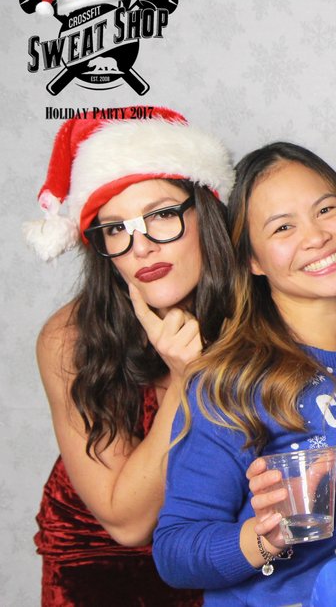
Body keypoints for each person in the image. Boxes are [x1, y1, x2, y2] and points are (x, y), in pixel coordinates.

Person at [152, 142, 336, 606]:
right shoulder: (232, 384)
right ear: (253, 260)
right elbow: (173, 551)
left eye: (326, 210)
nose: (317, 236)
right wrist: (262, 537)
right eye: (283, 227)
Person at [24, 107, 233, 606]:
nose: (141, 247)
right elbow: (127, 521)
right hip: (103, 580)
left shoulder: (256, 311)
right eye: (116, 228)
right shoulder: (71, 337)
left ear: (205, 213)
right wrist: (185, 380)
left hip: (225, 565)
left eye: (161, 215)